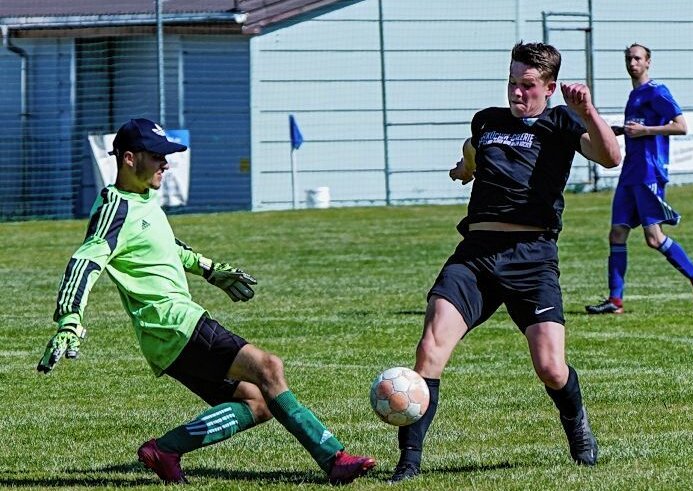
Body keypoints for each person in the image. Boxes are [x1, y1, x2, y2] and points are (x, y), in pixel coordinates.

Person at [37, 118, 375, 485]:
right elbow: (86, 260)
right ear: (130, 159)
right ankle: (334, 458)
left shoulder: (144, 200)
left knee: (256, 404)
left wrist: (211, 270)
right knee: (269, 368)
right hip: (173, 322)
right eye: (158, 157)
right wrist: (69, 319)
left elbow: (168, 248)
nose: (165, 164)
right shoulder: (115, 207)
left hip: (166, 339)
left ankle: (164, 450)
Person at [388, 42, 621, 483]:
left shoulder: (563, 122)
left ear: (549, 88)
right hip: (475, 257)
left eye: (527, 85)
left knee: (551, 368)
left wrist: (588, 110)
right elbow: (473, 146)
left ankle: (578, 429)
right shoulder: (488, 120)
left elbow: (611, 157)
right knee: (429, 349)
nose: (517, 93)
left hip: (532, 259)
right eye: (512, 83)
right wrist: (465, 169)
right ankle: (409, 462)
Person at [585, 43, 693, 315]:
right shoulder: (634, 95)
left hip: (649, 172)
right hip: (630, 172)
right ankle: (615, 300)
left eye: (638, 58)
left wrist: (645, 130)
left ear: (648, 62)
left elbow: (680, 126)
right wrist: (620, 130)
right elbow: (637, 130)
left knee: (654, 238)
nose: (633, 63)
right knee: (617, 233)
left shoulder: (657, 92)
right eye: (629, 58)